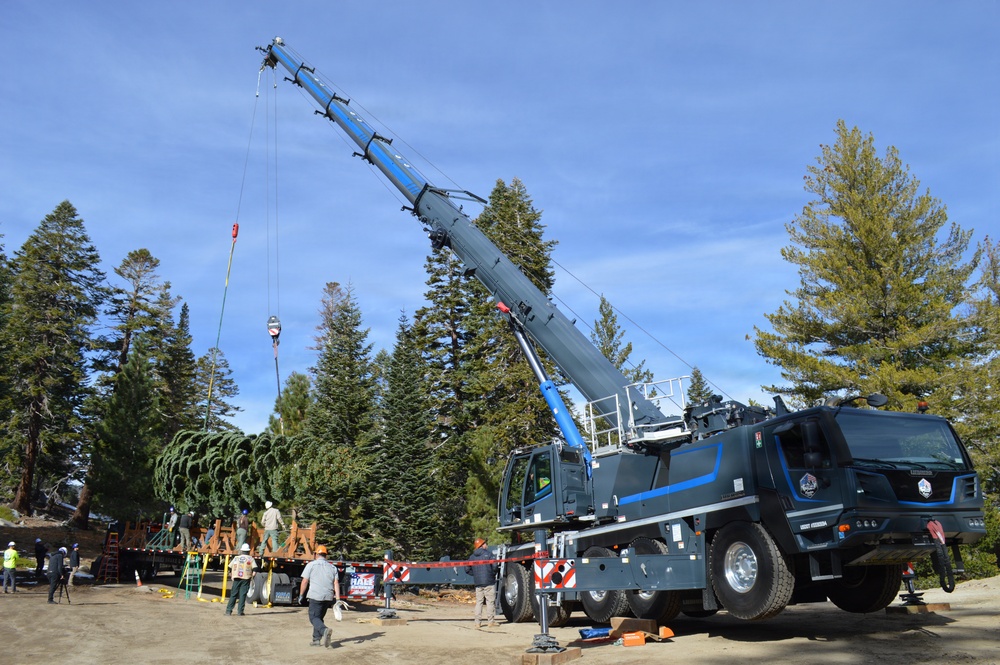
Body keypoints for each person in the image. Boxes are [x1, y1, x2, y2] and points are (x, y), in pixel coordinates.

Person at [299, 544, 340, 647]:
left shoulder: (311, 565)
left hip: (315, 596)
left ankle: (324, 630)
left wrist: (301, 595)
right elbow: (336, 583)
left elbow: (304, 581)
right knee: (319, 618)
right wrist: (338, 599)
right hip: (328, 597)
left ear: (316, 554)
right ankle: (316, 639)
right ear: (326, 555)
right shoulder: (333, 567)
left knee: (313, 617)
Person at [465, 537, 498, 628]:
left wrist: (475, 574)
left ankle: (477, 623)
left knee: (479, 602)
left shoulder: (472, 557)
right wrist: (492, 574)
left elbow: (467, 569)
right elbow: (495, 566)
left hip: (478, 583)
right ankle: (490, 622)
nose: (486, 545)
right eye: (485, 543)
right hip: (489, 582)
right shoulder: (489, 554)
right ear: (482, 545)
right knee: (490, 602)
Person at [225, 543, 259, 616]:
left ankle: (228, 611)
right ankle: (240, 612)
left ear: (242, 550)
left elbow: (230, 567)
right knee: (242, 595)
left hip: (236, 577)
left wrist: (231, 575)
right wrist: (252, 576)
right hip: (246, 578)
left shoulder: (236, 558)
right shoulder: (251, 559)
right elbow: (255, 569)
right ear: (248, 551)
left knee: (233, 594)